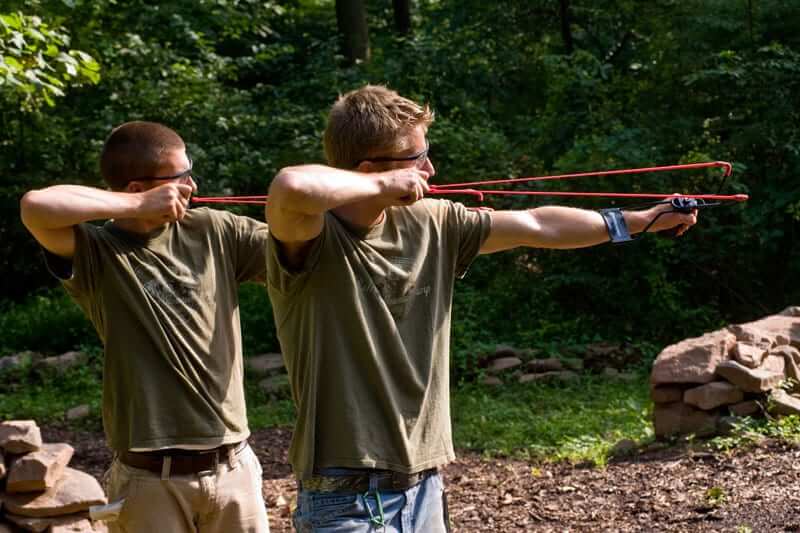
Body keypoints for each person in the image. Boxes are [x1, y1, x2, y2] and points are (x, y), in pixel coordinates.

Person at [265, 85, 698, 532]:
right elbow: (289, 186)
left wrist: (636, 222)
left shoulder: (434, 221)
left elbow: (536, 224)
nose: (429, 168)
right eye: (416, 158)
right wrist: (381, 185)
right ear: (372, 169)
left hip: (423, 488)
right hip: (346, 500)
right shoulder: (308, 241)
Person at [20, 121, 271, 533]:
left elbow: (304, 245)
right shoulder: (97, 252)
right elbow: (35, 206)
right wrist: (135, 208)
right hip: (148, 479)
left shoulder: (215, 231)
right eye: (180, 177)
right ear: (139, 189)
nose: (191, 185)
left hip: (233, 469)